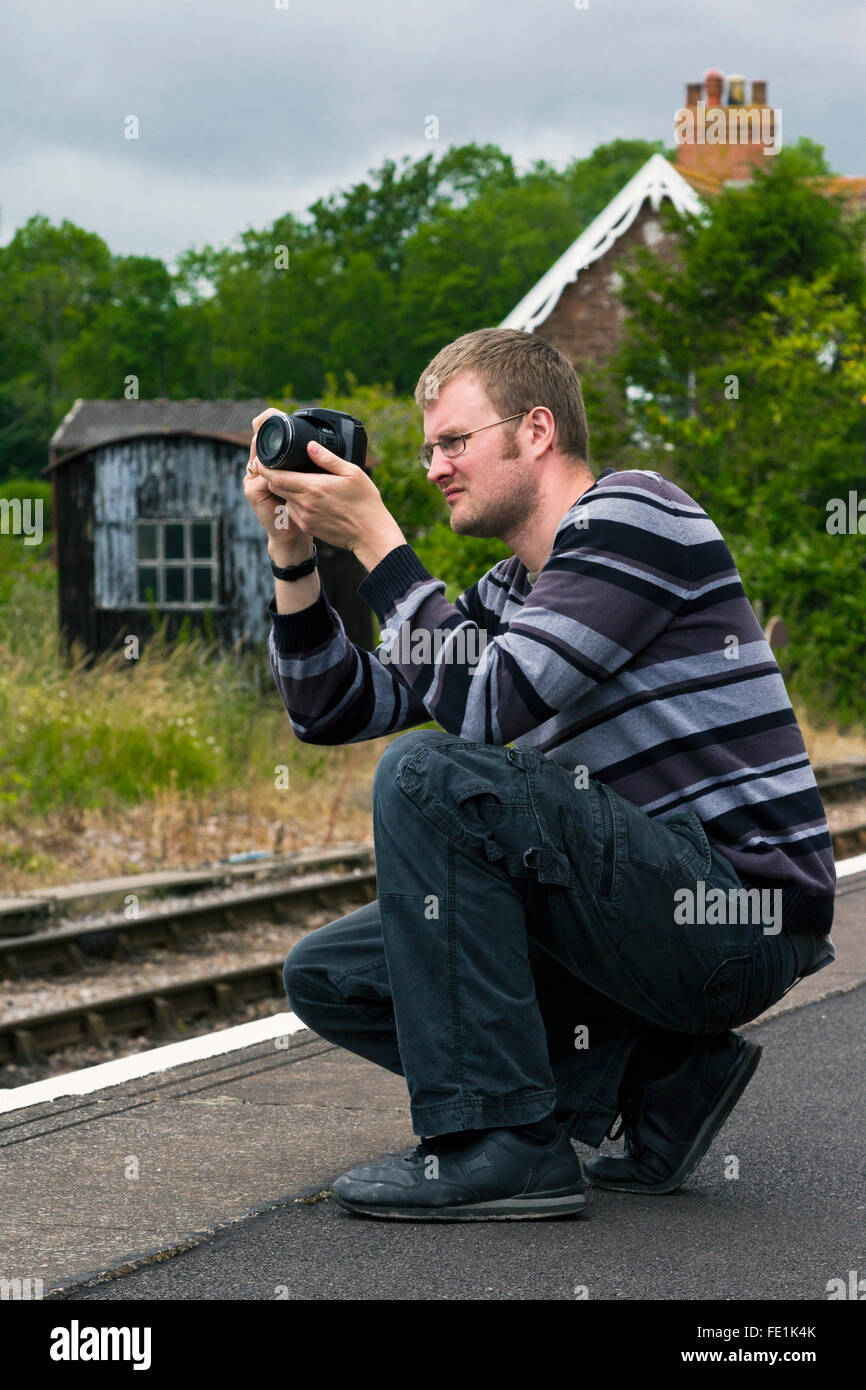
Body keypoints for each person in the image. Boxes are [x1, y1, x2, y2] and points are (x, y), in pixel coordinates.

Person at [243, 328, 836, 1222]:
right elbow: (331, 709)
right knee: (334, 976)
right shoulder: (514, 588)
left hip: (734, 914)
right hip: (636, 917)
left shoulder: (634, 517)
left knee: (427, 774)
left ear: (537, 431)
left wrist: (375, 540)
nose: (435, 465)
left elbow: (487, 707)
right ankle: (658, 1076)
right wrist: (295, 558)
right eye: (427, 447)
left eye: (454, 441)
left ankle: (508, 1148)